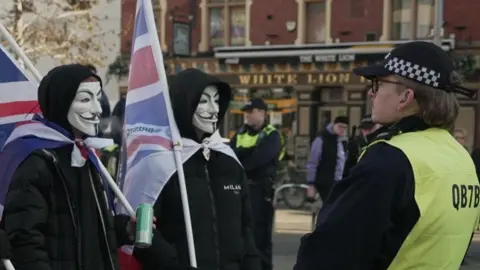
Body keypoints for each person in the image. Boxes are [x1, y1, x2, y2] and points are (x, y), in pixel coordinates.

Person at [294, 41, 480, 270]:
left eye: (378, 84)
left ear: (406, 97)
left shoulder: (391, 158)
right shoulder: (460, 158)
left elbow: (329, 255)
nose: (371, 93)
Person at [0, 64, 135, 270]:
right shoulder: (35, 160)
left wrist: (124, 230)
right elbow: (25, 241)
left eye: (97, 98)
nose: (97, 109)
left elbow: (89, 229)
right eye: (85, 99)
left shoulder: (87, 155)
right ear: (61, 102)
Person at [132, 68, 260, 270]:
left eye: (216, 100)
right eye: (203, 101)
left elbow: (245, 229)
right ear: (183, 103)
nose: (213, 110)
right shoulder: (159, 163)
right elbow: (144, 235)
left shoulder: (229, 162)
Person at [230, 98, 282, 270]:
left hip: (261, 190)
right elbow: (230, 154)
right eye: (247, 113)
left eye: (251, 112)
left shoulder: (271, 134)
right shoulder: (240, 132)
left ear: (262, 113)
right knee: (242, 231)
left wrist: (242, 158)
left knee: (261, 235)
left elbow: (261, 159)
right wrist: (248, 152)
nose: (248, 116)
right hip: (241, 188)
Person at [305, 116, 348, 202]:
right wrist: (311, 184)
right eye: (340, 126)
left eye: (344, 127)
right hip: (324, 183)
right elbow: (313, 162)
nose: (342, 129)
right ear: (334, 125)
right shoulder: (321, 140)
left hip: (338, 182)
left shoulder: (343, 141)